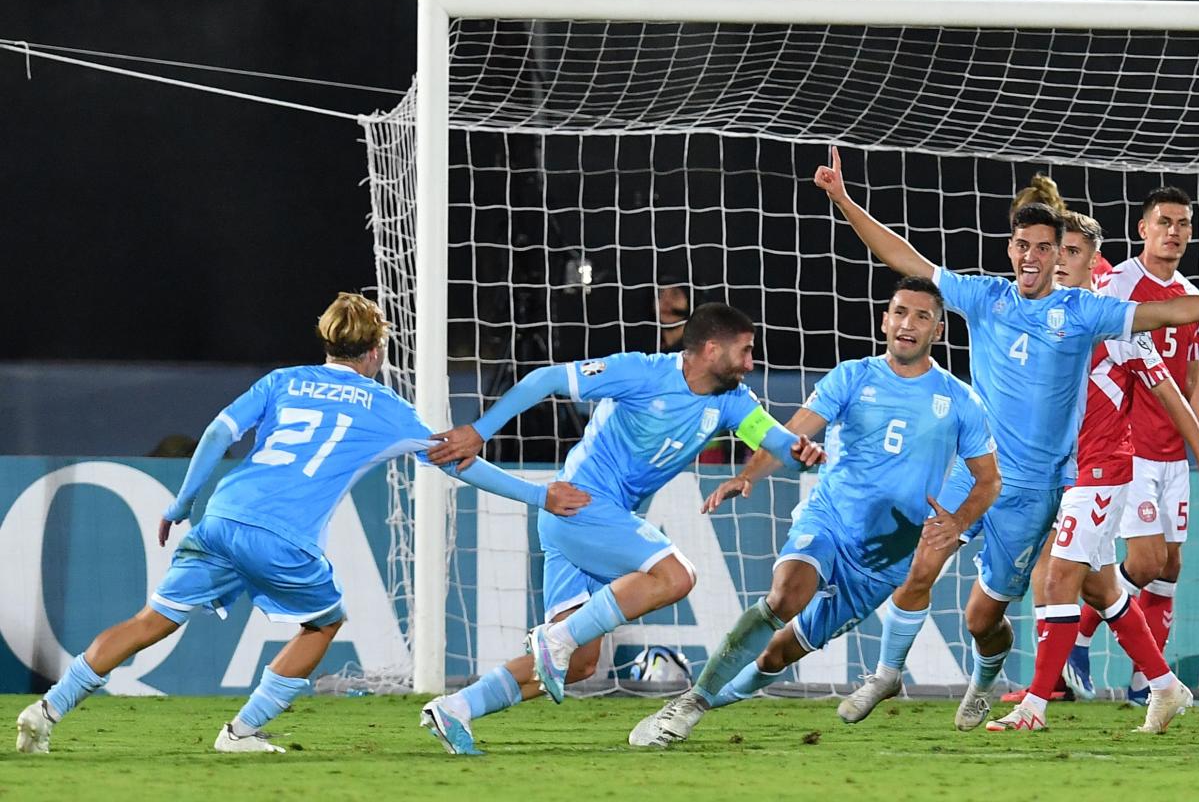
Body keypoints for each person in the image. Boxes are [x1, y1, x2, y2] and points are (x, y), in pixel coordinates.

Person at [815, 147, 1199, 731]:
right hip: (978, 470)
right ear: (1011, 250)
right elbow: (906, 260)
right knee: (929, 564)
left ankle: (1009, 681)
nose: (1037, 258)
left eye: (1050, 248)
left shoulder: (1087, 311)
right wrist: (844, 200)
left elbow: (1172, 315)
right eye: (1028, 246)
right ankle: (891, 673)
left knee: (991, 613)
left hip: (1042, 485)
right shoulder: (984, 297)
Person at [15, 293, 589, 756]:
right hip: (281, 535)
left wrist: (182, 502)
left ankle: (46, 711)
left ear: (328, 341)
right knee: (323, 623)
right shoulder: (386, 407)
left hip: (223, 514)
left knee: (149, 620)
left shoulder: (283, 380)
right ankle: (240, 732)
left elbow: (217, 433)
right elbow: (461, 464)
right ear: (377, 349)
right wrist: (539, 495)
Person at [419, 303, 825, 754]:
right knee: (676, 576)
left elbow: (777, 442)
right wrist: (481, 430)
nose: (751, 363)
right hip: (581, 504)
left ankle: (456, 707)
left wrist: (802, 451)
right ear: (712, 350)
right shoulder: (641, 373)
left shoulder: (731, 402)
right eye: (745, 351)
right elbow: (548, 378)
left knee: (577, 665)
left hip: (585, 523)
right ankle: (552, 639)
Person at [626, 277, 1000, 746]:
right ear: (885, 320)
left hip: (884, 562)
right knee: (785, 595)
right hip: (829, 520)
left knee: (776, 657)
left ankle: (707, 697)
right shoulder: (852, 376)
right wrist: (749, 475)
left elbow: (989, 480)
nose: (908, 324)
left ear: (938, 331)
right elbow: (790, 433)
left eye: (922, 316)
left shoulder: (960, 400)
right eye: (900, 312)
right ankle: (689, 705)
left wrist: (960, 521)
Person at [985, 211, 1199, 734]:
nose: (1061, 262)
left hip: (1104, 470)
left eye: (1074, 253)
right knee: (1103, 590)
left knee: (1058, 579)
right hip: (1061, 473)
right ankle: (1165, 687)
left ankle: (1034, 707)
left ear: (1095, 264)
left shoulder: (1113, 323)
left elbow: (1171, 389)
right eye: (1058, 252)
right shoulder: (1037, 319)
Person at [1096, 186, 1199, 704]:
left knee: (1171, 567)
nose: (1174, 232)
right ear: (1142, 229)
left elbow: (1193, 376)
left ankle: (1143, 684)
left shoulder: (1190, 293)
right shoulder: (1118, 286)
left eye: (1183, 224)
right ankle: (1080, 641)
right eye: (1164, 222)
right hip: (1128, 446)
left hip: (1174, 453)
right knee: (1148, 561)